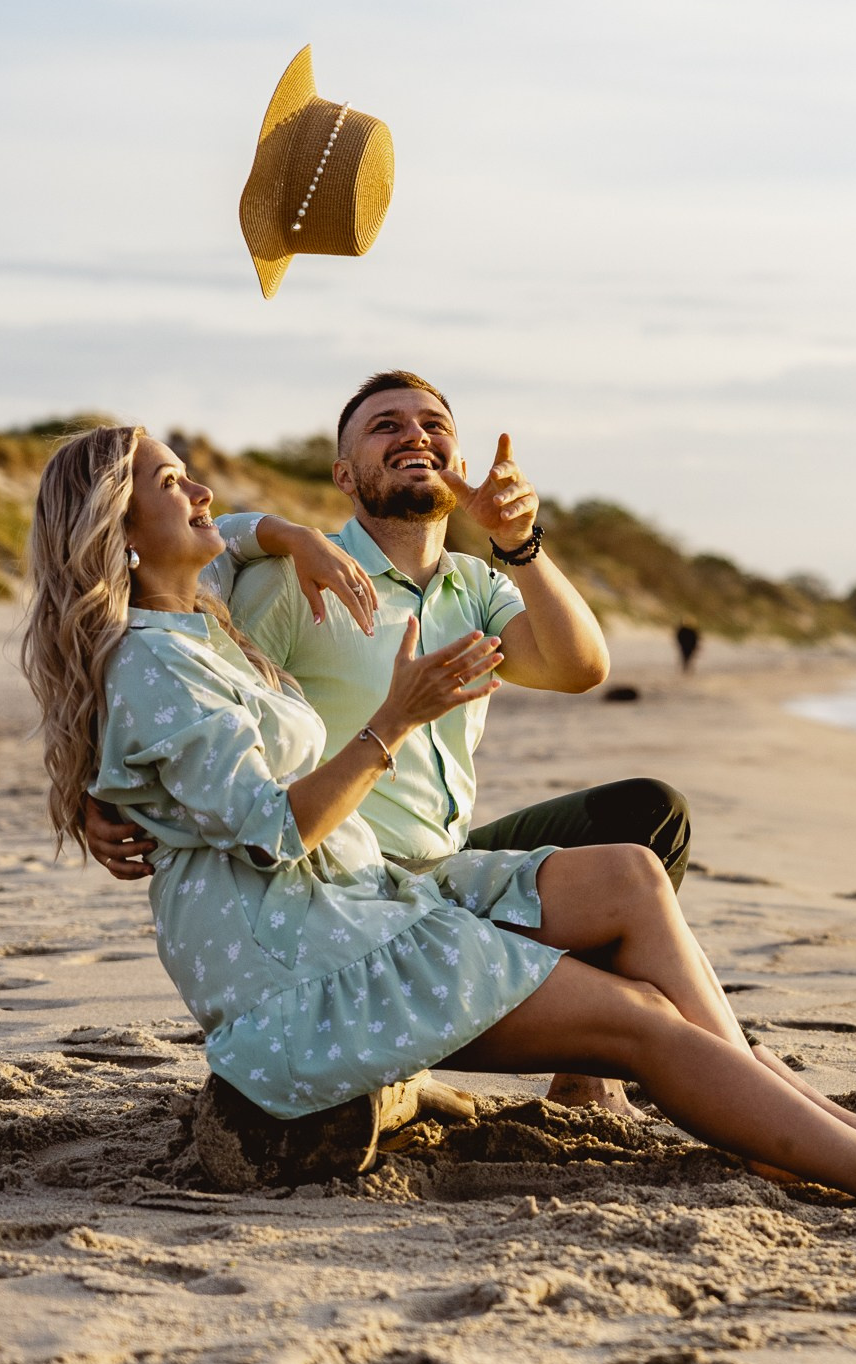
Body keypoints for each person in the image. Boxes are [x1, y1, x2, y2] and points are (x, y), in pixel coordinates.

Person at [19, 424, 856, 1201]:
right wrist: (393, 717)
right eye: (169, 480)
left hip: (351, 896)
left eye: (192, 472)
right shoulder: (198, 633)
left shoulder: (213, 611)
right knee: (637, 1018)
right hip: (305, 955)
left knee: (632, 863)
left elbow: (582, 664)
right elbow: (270, 825)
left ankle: (802, 1127)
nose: (201, 489)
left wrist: (285, 531)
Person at [81, 371, 678, 1112]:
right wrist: (96, 791)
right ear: (343, 474)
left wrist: (520, 542)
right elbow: (170, 666)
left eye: (433, 424)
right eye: (385, 426)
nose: (415, 435)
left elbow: (581, 666)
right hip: (348, 889)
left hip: (448, 868)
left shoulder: (475, 585)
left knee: (648, 816)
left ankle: (586, 1078)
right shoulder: (297, 578)